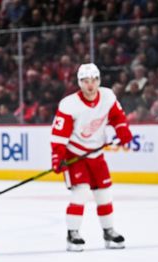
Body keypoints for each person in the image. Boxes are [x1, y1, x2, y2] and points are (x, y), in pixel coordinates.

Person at [50, 63, 132, 252]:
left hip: (96, 153)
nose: (90, 85)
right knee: (81, 192)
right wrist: (57, 157)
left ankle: (109, 231)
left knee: (104, 193)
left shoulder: (108, 96)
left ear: (99, 81)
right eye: (85, 81)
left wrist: (123, 131)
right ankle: (73, 234)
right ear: (79, 83)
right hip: (75, 154)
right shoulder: (69, 104)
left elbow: (117, 117)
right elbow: (59, 135)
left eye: (94, 80)